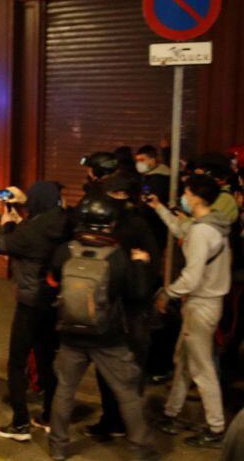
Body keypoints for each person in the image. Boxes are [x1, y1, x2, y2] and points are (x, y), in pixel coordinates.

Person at [47, 194, 156, 461]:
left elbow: (51, 283)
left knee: (65, 390)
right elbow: (138, 295)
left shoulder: (65, 251)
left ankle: (58, 447)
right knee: (127, 393)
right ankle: (139, 450)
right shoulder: (118, 258)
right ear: (110, 223)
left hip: (71, 333)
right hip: (109, 338)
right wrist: (141, 264)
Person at [152, 174, 231, 448]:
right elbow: (180, 229)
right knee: (184, 361)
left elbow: (192, 276)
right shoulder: (213, 225)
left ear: (195, 197)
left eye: (186, 192)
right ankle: (171, 413)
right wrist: (159, 208)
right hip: (209, 303)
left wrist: (167, 294)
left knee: (201, 368)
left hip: (200, 305)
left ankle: (216, 427)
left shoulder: (201, 232)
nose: (184, 197)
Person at [0, 181, 69, 441]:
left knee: (17, 363)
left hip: (30, 303)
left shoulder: (31, 231)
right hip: (54, 301)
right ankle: (48, 416)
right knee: (48, 360)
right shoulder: (63, 222)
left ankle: (20, 422)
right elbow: (21, 239)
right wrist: (18, 215)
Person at [88, 174, 160, 440]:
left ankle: (125, 424)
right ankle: (114, 421)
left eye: (120, 195)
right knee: (110, 369)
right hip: (114, 310)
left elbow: (151, 267)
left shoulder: (134, 225)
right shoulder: (107, 224)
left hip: (129, 312)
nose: (117, 200)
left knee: (127, 372)